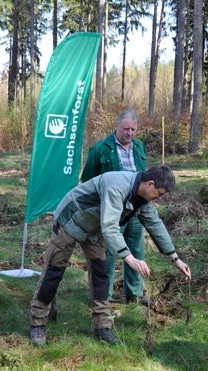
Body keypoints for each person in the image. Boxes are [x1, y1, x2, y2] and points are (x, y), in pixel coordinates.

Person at [29, 164, 191, 346]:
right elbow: (111, 227)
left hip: (95, 229)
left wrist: (175, 258)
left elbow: (155, 223)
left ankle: (102, 327)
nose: (159, 198)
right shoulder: (116, 185)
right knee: (54, 272)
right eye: (159, 193)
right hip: (70, 221)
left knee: (101, 275)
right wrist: (130, 259)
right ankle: (38, 323)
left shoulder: (143, 197)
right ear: (150, 183)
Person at [81, 108, 149, 305]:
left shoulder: (139, 147)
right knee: (109, 252)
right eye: (126, 129)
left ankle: (134, 294)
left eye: (133, 130)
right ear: (116, 126)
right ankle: (105, 296)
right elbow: (88, 181)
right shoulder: (100, 149)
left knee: (136, 249)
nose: (130, 133)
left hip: (135, 208)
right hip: (113, 211)